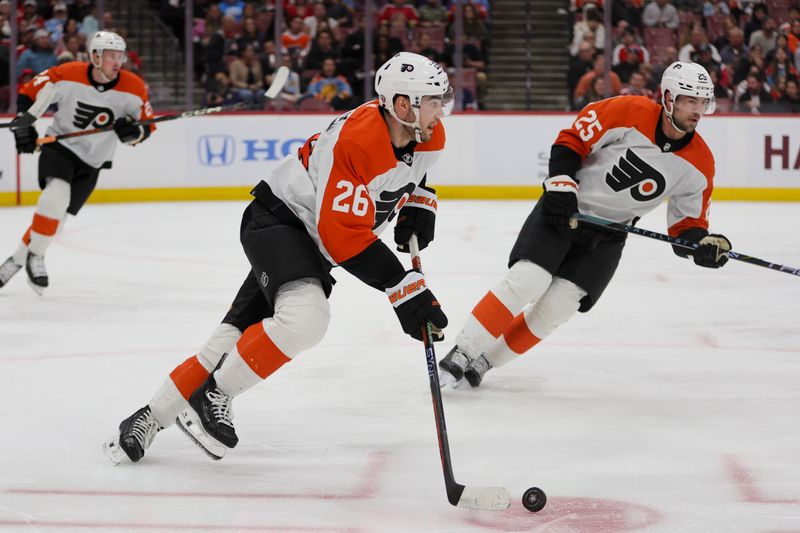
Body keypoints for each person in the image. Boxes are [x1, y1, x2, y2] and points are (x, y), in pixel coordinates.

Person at [103, 52, 453, 465]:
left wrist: (419, 204)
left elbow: (412, 172)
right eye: (433, 100)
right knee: (306, 318)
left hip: (309, 243)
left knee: (232, 338)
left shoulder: (428, 134)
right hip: (279, 223)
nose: (441, 109)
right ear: (402, 105)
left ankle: (149, 416)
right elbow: (341, 237)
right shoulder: (360, 140)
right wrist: (402, 288)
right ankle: (216, 393)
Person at [438, 61, 733, 388]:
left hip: (610, 236)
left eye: (703, 102)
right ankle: (463, 351)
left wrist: (702, 245)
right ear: (668, 98)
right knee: (527, 280)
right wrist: (561, 185)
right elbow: (572, 140)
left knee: (557, 307)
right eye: (689, 101)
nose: (697, 111)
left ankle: (485, 362)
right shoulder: (628, 109)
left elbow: (685, 229)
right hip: (567, 208)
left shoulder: (700, 164)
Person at [0, 31, 154, 294]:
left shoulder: (134, 87)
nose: (118, 62)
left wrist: (132, 134)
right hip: (60, 146)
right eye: (111, 56)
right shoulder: (67, 73)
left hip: (93, 161)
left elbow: (145, 127)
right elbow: (30, 93)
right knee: (55, 196)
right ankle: (36, 257)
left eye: (120, 56)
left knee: (55, 217)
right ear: (95, 56)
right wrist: (25, 125)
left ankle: (17, 259)